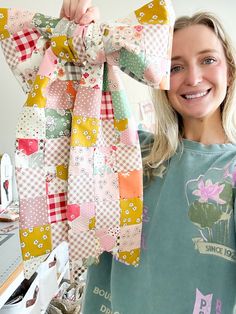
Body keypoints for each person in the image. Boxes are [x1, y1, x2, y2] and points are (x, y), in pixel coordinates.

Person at [60, 1, 236, 313]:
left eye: (207, 60)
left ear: (231, 69)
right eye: (175, 66)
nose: (193, 78)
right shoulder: (131, 152)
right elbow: (64, 124)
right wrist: (77, 41)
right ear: (161, 79)